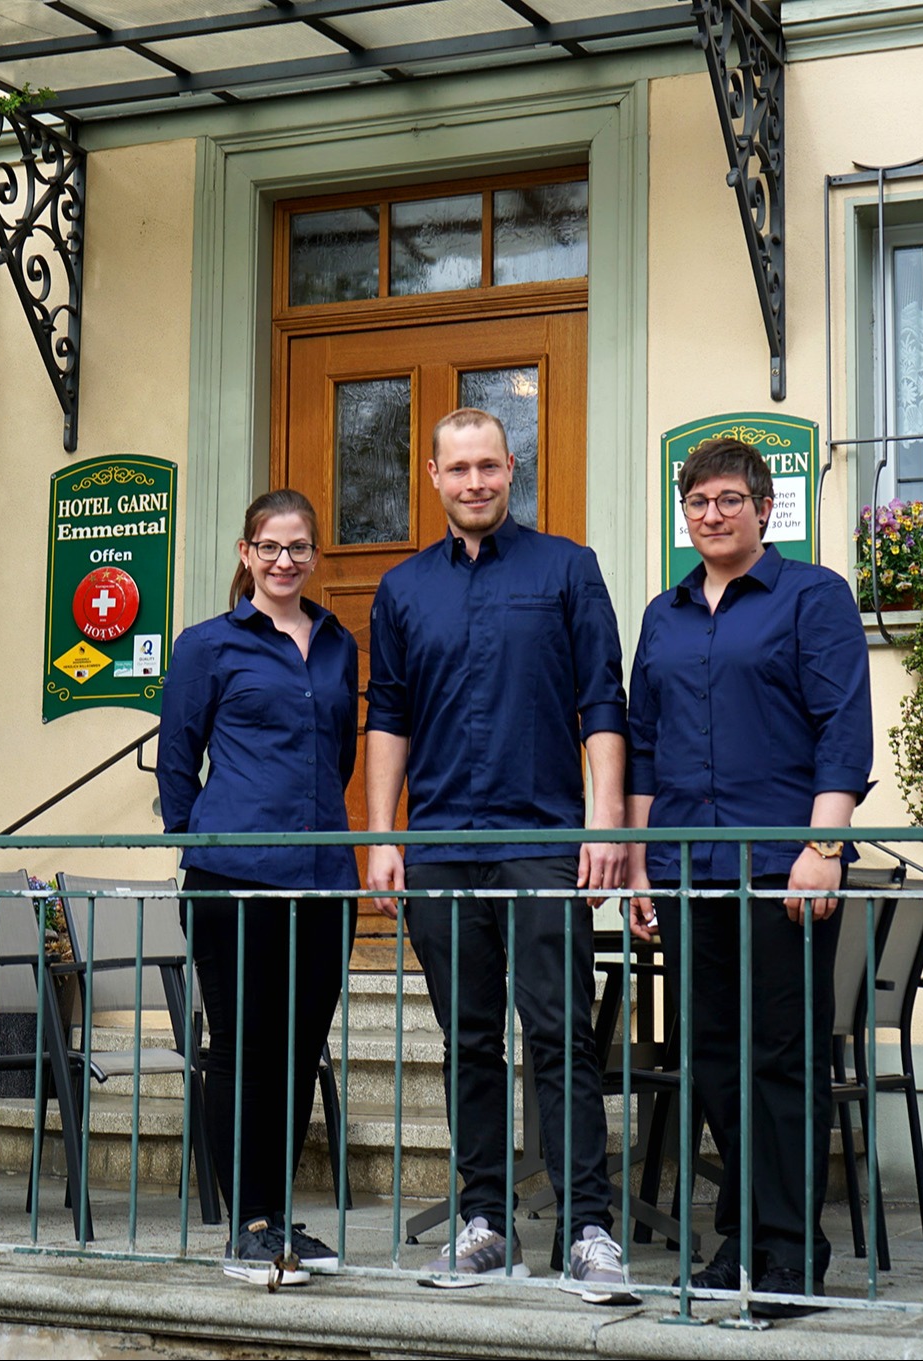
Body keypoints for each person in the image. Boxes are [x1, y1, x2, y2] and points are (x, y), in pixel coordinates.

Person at [363, 407, 637, 1303]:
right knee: (468, 1041)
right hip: (441, 843)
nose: (475, 481)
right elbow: (388, 716)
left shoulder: (567, 568)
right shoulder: (402, 590)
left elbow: (603, 702)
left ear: (510, 468)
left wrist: (602, 825)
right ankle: (484, 1225)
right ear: (433, 478)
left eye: (489, 465)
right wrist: (383, 836)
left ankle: (588, 1228)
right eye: (459, 468)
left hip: (542, 842)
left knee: (561, 1036)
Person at [625, 436, 873, 1318]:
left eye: (730, 499)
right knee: (713, 1059)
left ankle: (791, 1251)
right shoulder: (665, 614)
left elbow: (843, 727)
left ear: (765, 509)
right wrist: (645, 869)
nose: (713, 514)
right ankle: (743, 1233)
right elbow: (644, 748)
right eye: (698, 502)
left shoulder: (814, 597)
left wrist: (824, 847)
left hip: (782, 867)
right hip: (690, 868)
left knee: (783, 1058)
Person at [158, 488, 360, 1288]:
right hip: (233, 876)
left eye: (300, 548)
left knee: (301, 1052)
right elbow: (179, 761)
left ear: (315, 556)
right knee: (241, 1051)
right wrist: (198, 844)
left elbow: (336, 754)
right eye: (270, 547)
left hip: (322, 880)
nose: (285, 561)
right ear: (246, 554)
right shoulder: (208, 645)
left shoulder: (339, 643)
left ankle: (275, 1216)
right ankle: (245, 1224)